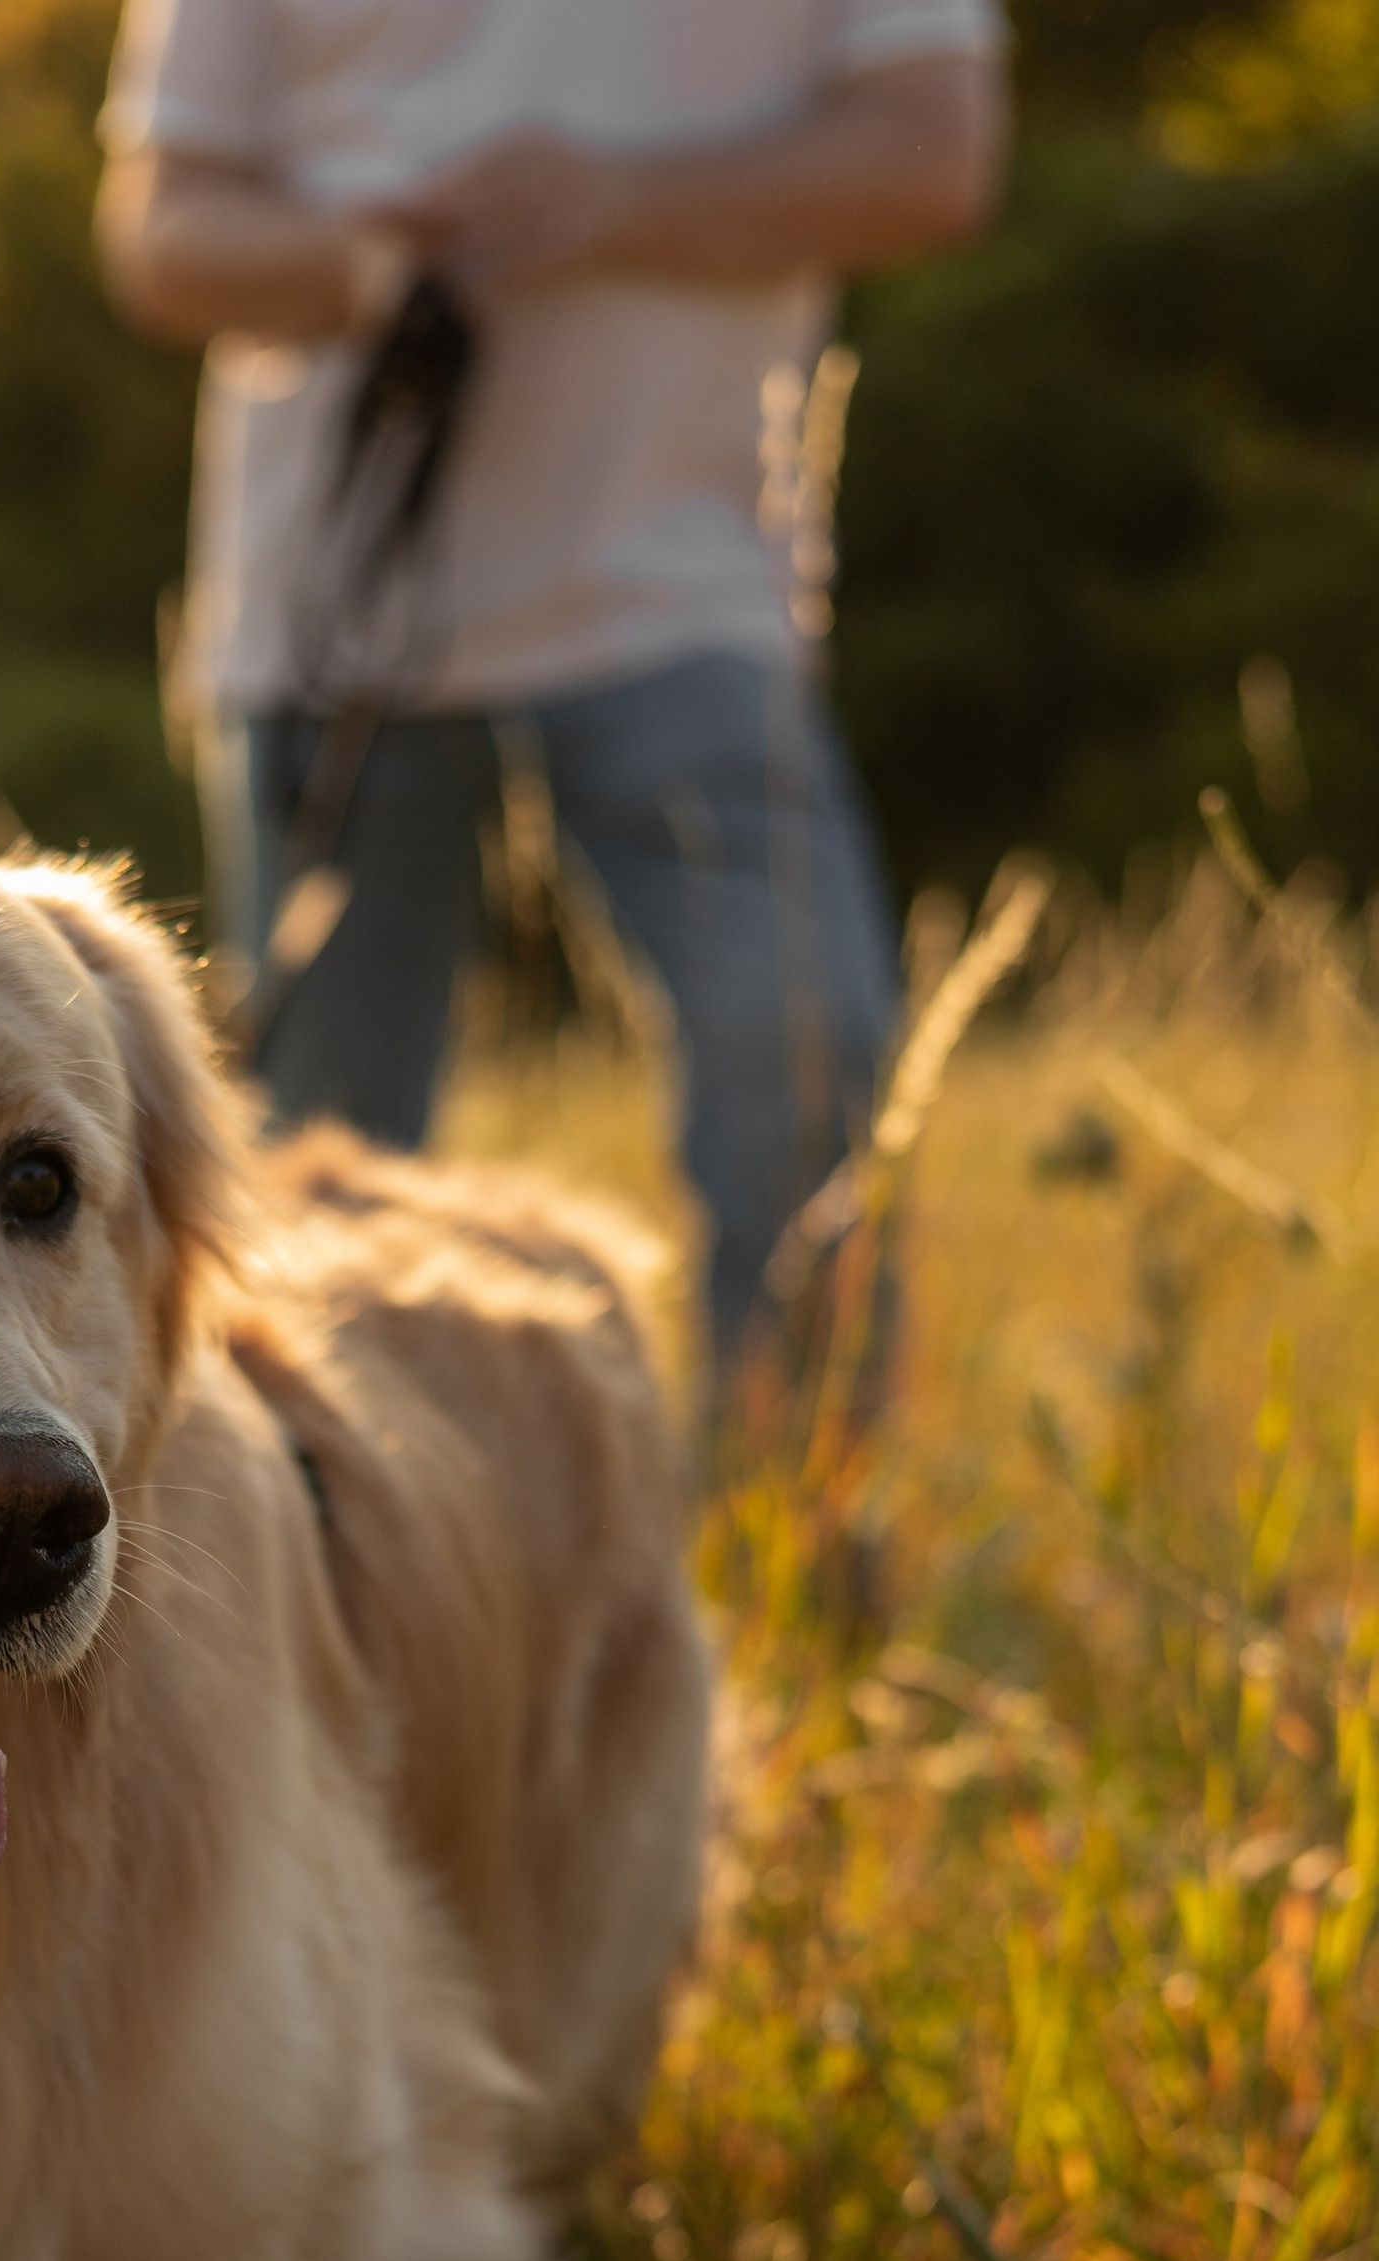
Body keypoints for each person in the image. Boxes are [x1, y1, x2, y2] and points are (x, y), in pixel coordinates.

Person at [95, 0, 1009, 1431]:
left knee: (806, 1066)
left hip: (686, 595)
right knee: (312, 1169)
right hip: (336, 620)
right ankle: (332, 1568)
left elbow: (934, 157)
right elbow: (158, 229)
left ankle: (797, 1553)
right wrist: (357, 264)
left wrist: (607, 201)